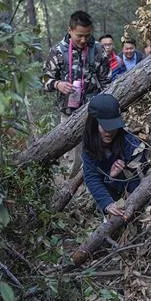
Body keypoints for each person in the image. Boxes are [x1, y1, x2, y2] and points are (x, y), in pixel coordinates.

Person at [42, 11, 111, 178]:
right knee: (73, 158)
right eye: (79, 36)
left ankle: (95, 188)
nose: (83, 40)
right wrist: (57, 84)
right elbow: (44, 80)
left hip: (93, 111)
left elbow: (107, 83)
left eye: (87, 35)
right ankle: (71, 193)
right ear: (70, 30)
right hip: (69, 114)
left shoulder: (98, 50)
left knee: (98, 153)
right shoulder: (57, 52)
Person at [82, 94, 146, 217]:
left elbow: (139, 178)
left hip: (131, 193)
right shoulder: (89, 144)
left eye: (113, 127)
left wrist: (118, 177)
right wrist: (107, 203)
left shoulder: (129, 142)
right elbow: (91, 177)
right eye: (105, 127)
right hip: (110, 192)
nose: (109, 132)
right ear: (94, 124)